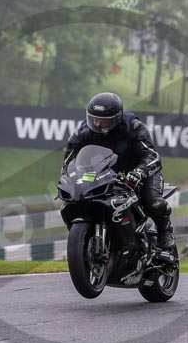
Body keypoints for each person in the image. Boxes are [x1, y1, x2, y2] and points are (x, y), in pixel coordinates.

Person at [62, 91, 175, 249]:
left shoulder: (133, 127)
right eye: (94, 119)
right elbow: (70, 157)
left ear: (116, 119)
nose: (98, 124)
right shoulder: (83, 131)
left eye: (103, 121)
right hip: (106, 174)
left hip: (140, 173)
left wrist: (139, 172)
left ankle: (165, 229)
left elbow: (152, 156)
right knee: (75, 200)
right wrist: (70, 175)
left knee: (153, 203)